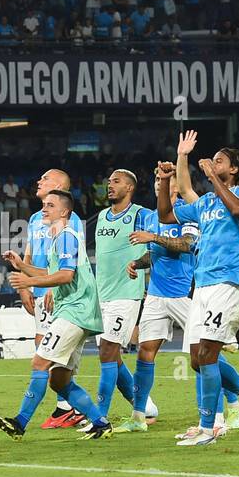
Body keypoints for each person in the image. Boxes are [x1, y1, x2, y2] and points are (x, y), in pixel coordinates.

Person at [161, 129, 239, 445]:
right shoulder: (207, 202)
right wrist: (180, 158)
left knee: (208, 353)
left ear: (234, 169)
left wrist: (212, 176)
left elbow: (237, 209)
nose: (213, 162)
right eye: (212, 160)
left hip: (227, 281)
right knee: (198, 358)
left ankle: (209, 427)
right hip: (203, 283)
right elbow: (174, 203)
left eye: (220, 160)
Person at [0, 190, 113, 440]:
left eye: (50, 205)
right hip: (76, 312)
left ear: (65, 212)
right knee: (59, 380)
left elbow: (66, 275)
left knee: (39, 362)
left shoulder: (67, 236)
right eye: (44, 205)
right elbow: (52, 270)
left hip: (75, 311)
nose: (44, 209)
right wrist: (21, 265)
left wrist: (29, 280)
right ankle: (100, 423)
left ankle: (20, 422)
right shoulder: (59, 238)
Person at [125, 173, 202, 434]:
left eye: (166, 181)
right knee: (145, 351)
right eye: (157, 179)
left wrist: (153, 238)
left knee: (203, 354)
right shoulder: (148, 216)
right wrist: (137, 262)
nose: (161, 183)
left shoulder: (187, 212)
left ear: (177, 188)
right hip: (156, 295)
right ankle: (138, 416)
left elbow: (186, 245)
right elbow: (154, 252)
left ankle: (235, 403)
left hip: (182, 295)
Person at [90, 169, 158, 427]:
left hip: (125, 296)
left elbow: (158, 246)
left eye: (116, 182)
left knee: (108, 352)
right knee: (111, 357)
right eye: (108, 181)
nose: (110, 185)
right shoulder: (102, 217)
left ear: (129, 188)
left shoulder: (141, 215)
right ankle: (146, 407)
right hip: (102, 297)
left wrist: (140, 263)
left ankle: (99, 416)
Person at [20, 167, 86, 428]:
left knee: (48, 353)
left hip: (56, 292)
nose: (39, 180)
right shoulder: (36, 218)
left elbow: (70, 259)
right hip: (37, 290)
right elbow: (29, 253)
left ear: (58, 184)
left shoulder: (73, 220)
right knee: (44, 350)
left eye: (45, 178)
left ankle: (67, 407)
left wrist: (51, 287)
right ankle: (67, 407)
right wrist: (24, 286)